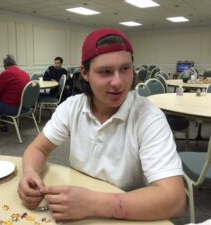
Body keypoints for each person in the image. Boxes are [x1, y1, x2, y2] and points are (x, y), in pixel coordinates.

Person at [17, 28, 186, 221]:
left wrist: (93, 204)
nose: (118, 82)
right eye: (105, 72)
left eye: (125, 69)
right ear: (85, 73)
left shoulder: (149, 117)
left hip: (130, 214)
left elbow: (174, 199)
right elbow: (38, 149)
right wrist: (29, 173)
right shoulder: (72, 107)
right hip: (79, 211)